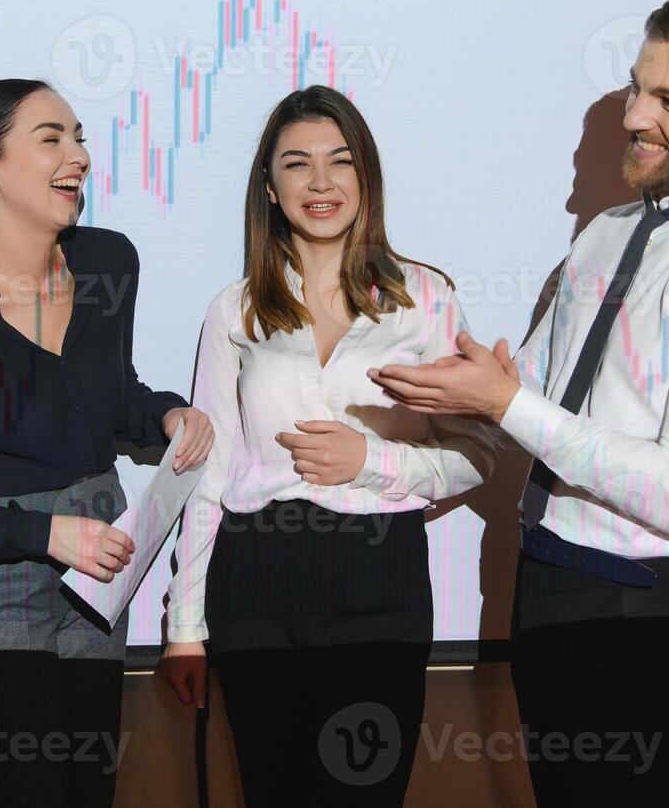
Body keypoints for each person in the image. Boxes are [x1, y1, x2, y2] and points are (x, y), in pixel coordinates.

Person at [372, 0, 669, 807]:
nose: (634, 116)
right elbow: (531, 387)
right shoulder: (608, 232)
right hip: (546, 579)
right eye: (635, 88)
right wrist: (434, 373)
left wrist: (504, 403)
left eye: (668, 101)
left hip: (643, 613)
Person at [159, 85, 496, 806]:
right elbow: (207, 474)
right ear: (269, 187)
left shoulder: (424, 299)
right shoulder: (234, 309)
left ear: (365, 175)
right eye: (297, 164)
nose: (320, 182)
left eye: (340, 161)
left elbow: (477, 456)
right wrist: (184, 625)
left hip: (380, 578)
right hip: (255, 580)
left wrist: (372, 462)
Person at [0, 78, 214, 807]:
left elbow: (106, 394)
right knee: (19, 787)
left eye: (80, 137)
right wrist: (47, 534)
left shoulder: (107, 263)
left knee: (88, 788)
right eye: (51, 138)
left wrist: (166, 415)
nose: (79, 156)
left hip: (97, 567)